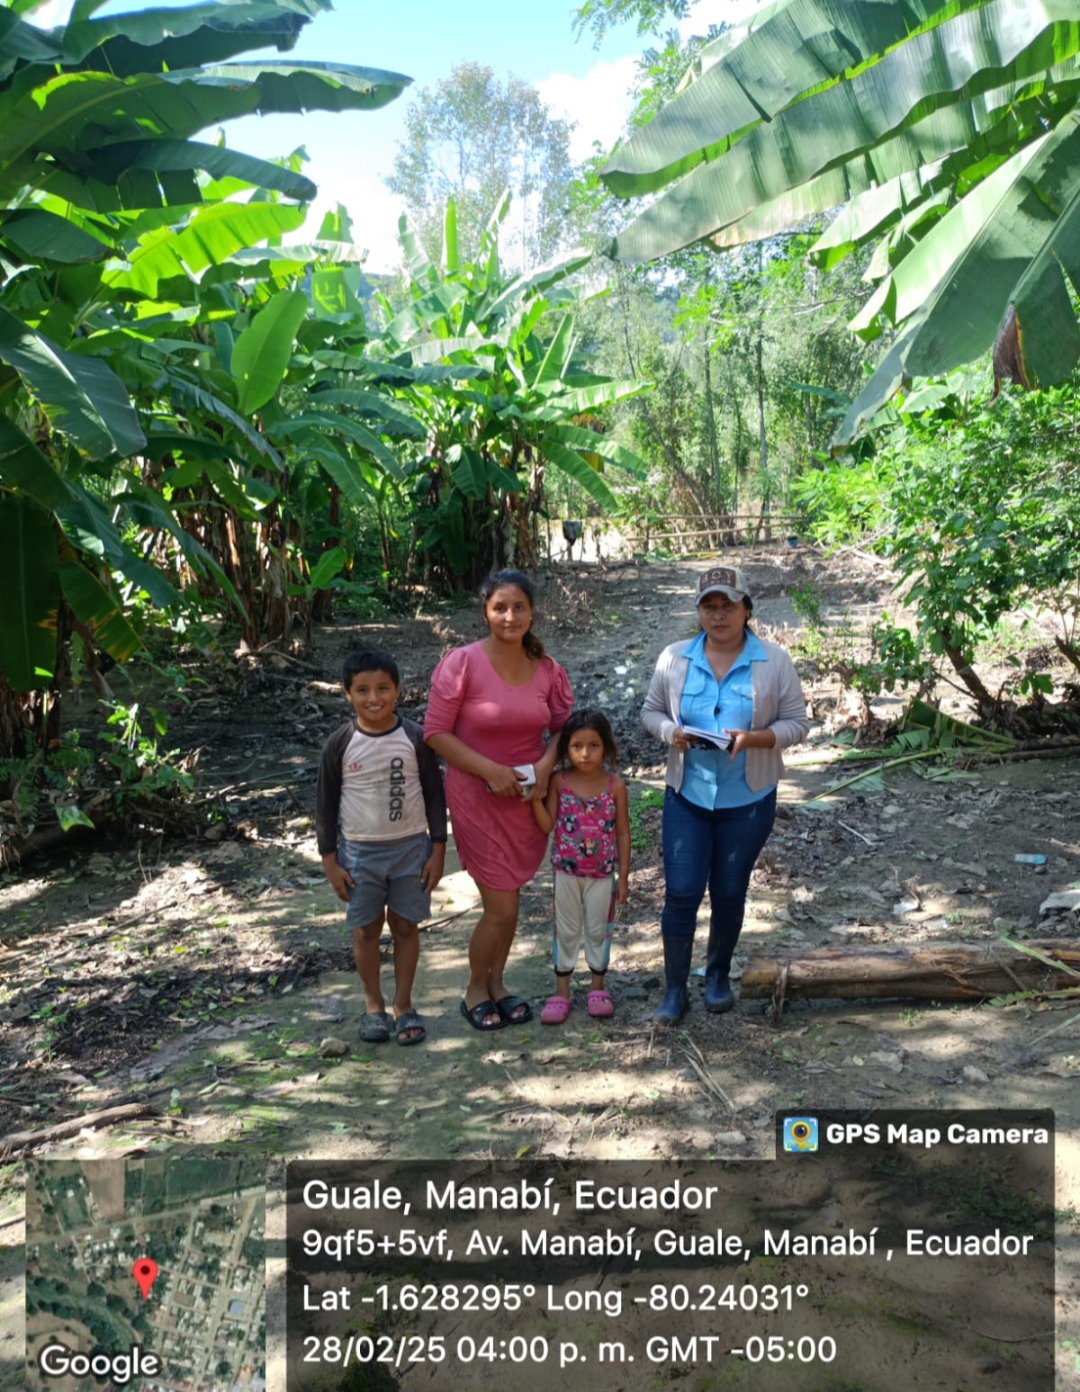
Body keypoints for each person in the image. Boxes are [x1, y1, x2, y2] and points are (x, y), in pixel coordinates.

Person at [642, 566, 809, 1025]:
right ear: (699, 612)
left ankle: (717, 975)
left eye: (728, 606)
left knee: (730, 890)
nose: (718, 615)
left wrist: (755, 739)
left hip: (748, 799)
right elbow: (651, 712)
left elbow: (797, 723)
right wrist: (671, 732)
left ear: (746, 610)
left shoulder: (773, 661)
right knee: (681, 892)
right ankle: (675, 989)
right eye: (709, 606)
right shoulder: (674, 658)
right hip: (688, 796)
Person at [424, 570, 573, 1032]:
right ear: (485, 612)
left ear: (532, 612)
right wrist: (490, 770)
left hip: (527, 799)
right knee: (501, 907)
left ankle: (498, 985)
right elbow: (436, 733)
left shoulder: (547, 669)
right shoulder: (461, 664)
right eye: (500, 608)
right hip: (477, 797)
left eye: (519, 607)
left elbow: (565, 728)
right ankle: (474, 990)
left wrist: (545, 765)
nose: (510, 616)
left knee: (511, 901)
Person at [316, 649, 447, 1046]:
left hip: (411, 850)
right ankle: (373, 1005)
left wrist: (438, 849)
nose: (374, 698)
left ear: (397, 690)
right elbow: (325, 805)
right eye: (362, 690)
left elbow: (434, 795)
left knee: (406, 926)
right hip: (359, 854)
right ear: (347, 694)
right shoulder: (340, 744)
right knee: (367, 929)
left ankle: (403, 1005)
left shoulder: (416, 738)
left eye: (383, 688)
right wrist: (330, 861)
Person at [531, 709, 630, 1024]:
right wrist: (534, 798)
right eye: (577, 746)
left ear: (606, 747)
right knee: (566, 930)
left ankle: (597, 988)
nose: (585, 754)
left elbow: (623, 833)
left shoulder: (615, 786)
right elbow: (547, 825)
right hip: (566, 874)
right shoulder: (559, 782)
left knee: (599, 929)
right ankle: (561, 992)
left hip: (602, 875)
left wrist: (623, 877)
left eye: (593, 746)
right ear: (566, 749)